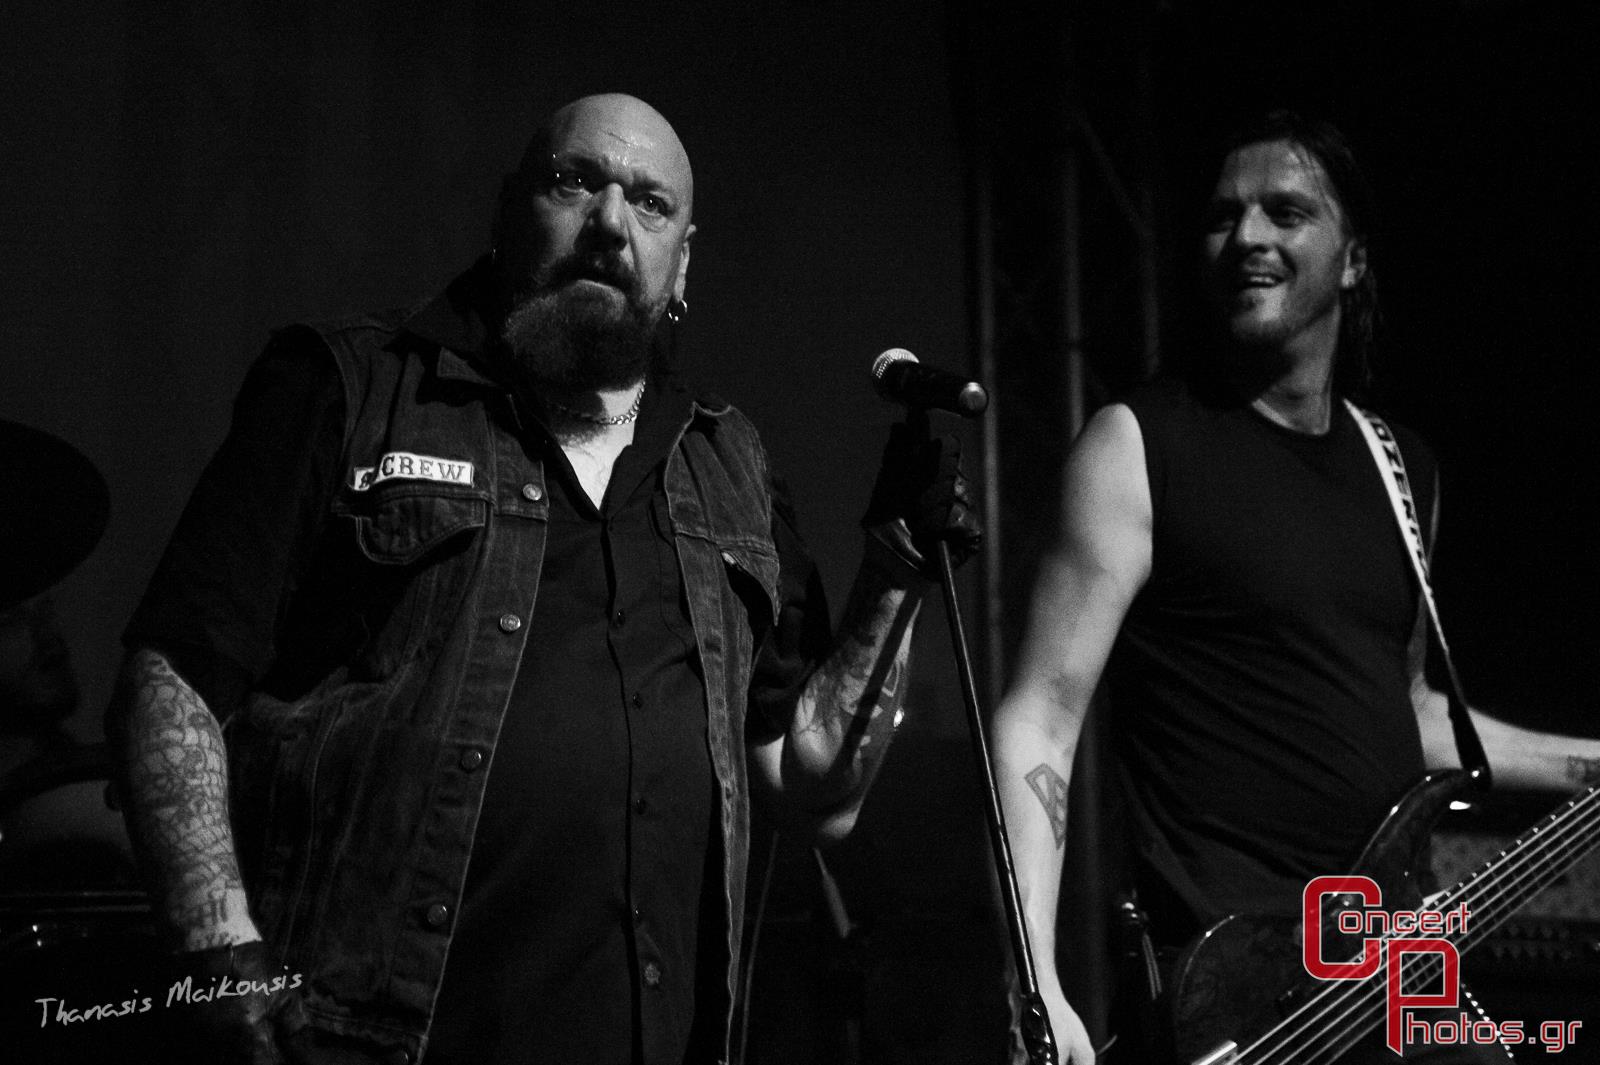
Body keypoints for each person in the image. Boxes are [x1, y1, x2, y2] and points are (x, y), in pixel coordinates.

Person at [107, 93, 976, 1065]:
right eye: (576, 183)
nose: (610, 221)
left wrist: (895, 573)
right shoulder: (348, 386)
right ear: (507, 210)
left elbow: (816, 787)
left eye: (650, 203)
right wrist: (220, 961)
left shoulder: (727, 459)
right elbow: (172, 678)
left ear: (682, 263)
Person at [991, 110, 1600, 1064]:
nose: (1248, 237)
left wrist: (1588, 765)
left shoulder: (1400, 468)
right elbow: (1042, 717)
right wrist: (1032, 969)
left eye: (1285, 212)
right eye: (1223, 216)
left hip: (1390, 970)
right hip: (1237, 997)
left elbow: (1405, 710)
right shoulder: (1138, 445)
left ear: (1353, 261)